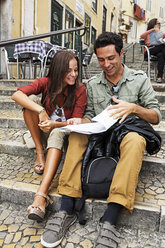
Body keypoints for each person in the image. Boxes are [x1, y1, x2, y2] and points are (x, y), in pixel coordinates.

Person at [41, 32, 162, 248]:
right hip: (99, 135)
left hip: (126, 135)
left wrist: (133, 108)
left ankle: (110, 218)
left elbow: (156, 116)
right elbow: (88, 114)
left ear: (121, 53)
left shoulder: (139, 79)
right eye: (101, 59)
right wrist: (81, 120)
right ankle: (66, 208)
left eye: (111, 58)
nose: (106, 64)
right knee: (77, 134)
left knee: (135, 140)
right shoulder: (93, 83)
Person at [11, 50, 87, 221]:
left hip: (63, 134)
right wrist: (41, 110)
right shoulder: (46, 83)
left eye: (76, 70)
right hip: (42, 132)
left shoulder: (80, 90)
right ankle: (40, 152)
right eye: (69, 70)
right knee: (31, 102)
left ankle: (41, 196)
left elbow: (76, 121)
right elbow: (16, 94)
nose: (74, 74)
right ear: (59, 69)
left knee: (57, 134)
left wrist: (55, 125)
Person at [140, 18, 165, 83]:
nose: (159, 25)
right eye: (158, 23)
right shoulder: (148, 33)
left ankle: (159, 77)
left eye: (160, 24)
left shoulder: (160, 33)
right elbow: (141, 36)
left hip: (158, 51)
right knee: (163, 46)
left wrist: (158, 32)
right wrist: (152, 30)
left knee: (161, 55)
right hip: (149, 51)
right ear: (153, 24)